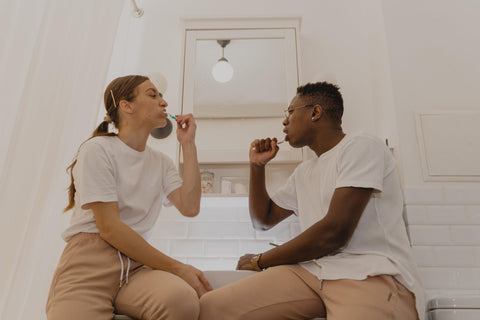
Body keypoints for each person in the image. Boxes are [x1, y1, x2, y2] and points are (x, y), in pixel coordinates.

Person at [199, 82, 425, 320]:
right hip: (314, 273)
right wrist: (257, 166)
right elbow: (262, 221)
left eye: (291, 112)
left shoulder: (361, 146)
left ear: (315, 112)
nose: (285, 122)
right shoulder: (304, 172)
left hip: (369, 273)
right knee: (213, 307)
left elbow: (335, 232)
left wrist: (260, 261)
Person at [46, 75, 212, 320]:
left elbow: (190, 207)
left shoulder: (162, 163)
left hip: (136, 267)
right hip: (89, 264)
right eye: (153, 95)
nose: (163, 102)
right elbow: (110, 228)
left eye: (161, 96)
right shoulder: (97, 149)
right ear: (127, 106)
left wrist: (188, 145)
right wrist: (178, 268)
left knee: (181, 301)